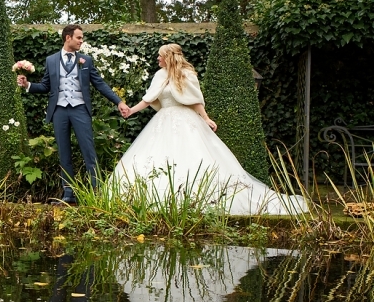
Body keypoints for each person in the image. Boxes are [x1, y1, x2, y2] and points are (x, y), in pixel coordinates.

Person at [116, 43, 306, 215]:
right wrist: (131, 110)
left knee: (192, 156)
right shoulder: (159, 75)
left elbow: (195, 100)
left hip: (185, 121)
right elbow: (149, 99)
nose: (157, 59)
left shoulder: (187, 75)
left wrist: (205, 118)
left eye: (160, 56)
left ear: (169, 57)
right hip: (162, 122)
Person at [17, 24, 130, 205]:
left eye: (82, 38)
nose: (81, 41)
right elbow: (46, 86)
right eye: (78, 38)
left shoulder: (86, 60)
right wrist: (28, 85)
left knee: (88, 150)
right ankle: (68, 194)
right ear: (67, 38)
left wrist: (119, 102)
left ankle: (96, 193)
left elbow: (99, 84)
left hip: (79, 109)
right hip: (59, 111)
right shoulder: (51, 60)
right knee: (64, 153)